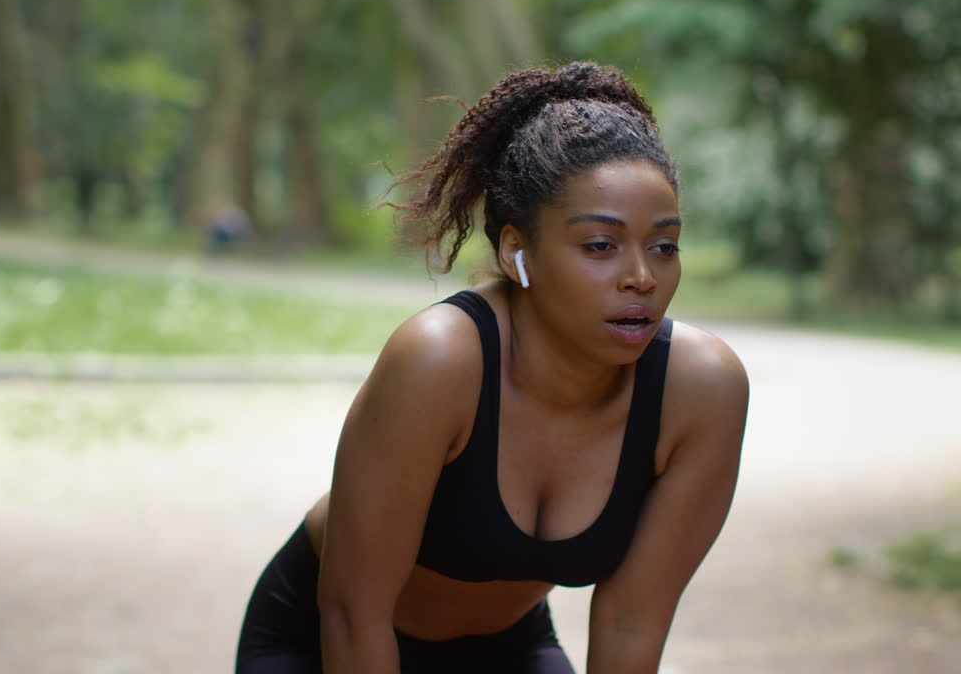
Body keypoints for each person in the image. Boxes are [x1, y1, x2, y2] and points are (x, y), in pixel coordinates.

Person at [235, 62, 748, 674]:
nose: (642, 276)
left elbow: (631, 622)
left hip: (509, 649)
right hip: (327, 639)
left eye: (664, 246)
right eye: (600, 246)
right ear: (516, 251)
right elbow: (352, 610)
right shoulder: (439, 360)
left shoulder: (701, 389)